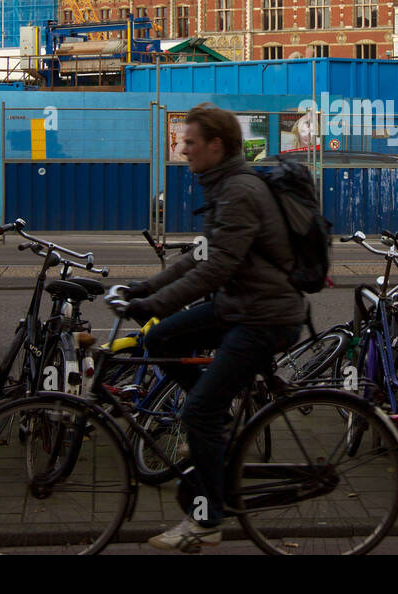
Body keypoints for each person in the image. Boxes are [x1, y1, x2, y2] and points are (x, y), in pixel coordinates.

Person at [106, 103, 305, 552]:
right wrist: (144, 289)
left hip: (265, 317)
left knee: (197, 412)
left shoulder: (239, 192)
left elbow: (216, 268)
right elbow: (197, 256)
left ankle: (207, 519)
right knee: (158, 337)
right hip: (240, 306)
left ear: (216, 145)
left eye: (190, 142)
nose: (182, 148)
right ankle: (217, 417)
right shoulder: (225, 187)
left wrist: (153, 302)